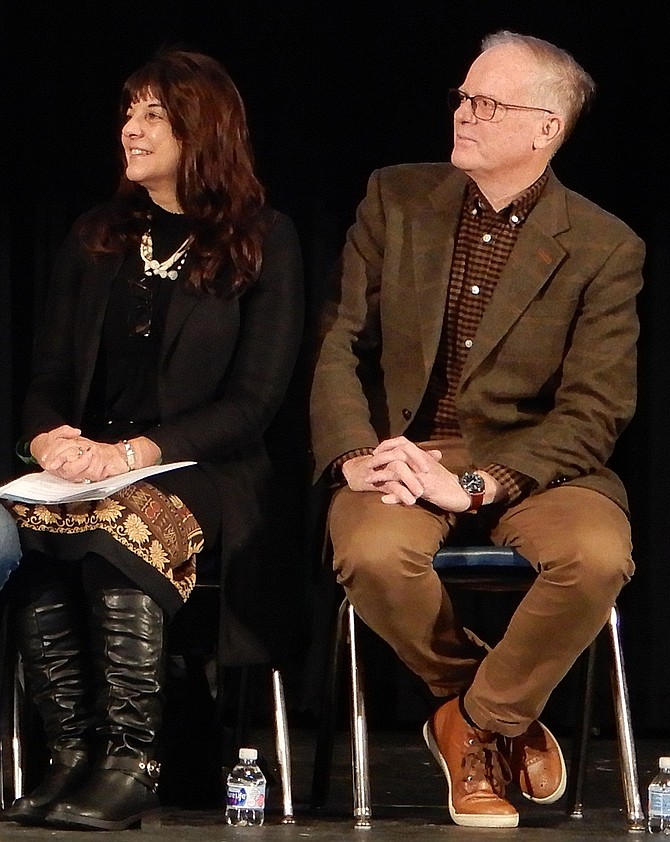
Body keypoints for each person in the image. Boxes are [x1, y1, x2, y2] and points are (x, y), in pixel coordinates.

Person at [310, 30, 644, 829]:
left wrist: (477, 484)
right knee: (370, 551)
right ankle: (497, 717)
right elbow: (339, 342)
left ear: (544, 129)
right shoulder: (395, 198)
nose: (463, 113)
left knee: (596, 558)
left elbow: (593, 411)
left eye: (487, 103)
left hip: (537, 465)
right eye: (463, 97)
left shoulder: (604, 245)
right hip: (403, 448)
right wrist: (357, 456)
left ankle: (475, 722)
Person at [1, 48, 303, 830]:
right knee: (30, 530)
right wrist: (46, 441)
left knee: (115, 523)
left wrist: (134, 454)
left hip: (207, 467)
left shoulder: (264, 240)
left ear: (200, 130)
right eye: (129, 113)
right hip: (85, 463)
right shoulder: (97, 234)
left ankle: (134, 761)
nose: (129, 130)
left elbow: (253, 403)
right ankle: (71, 755)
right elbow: (48, 375)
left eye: (152, 116)